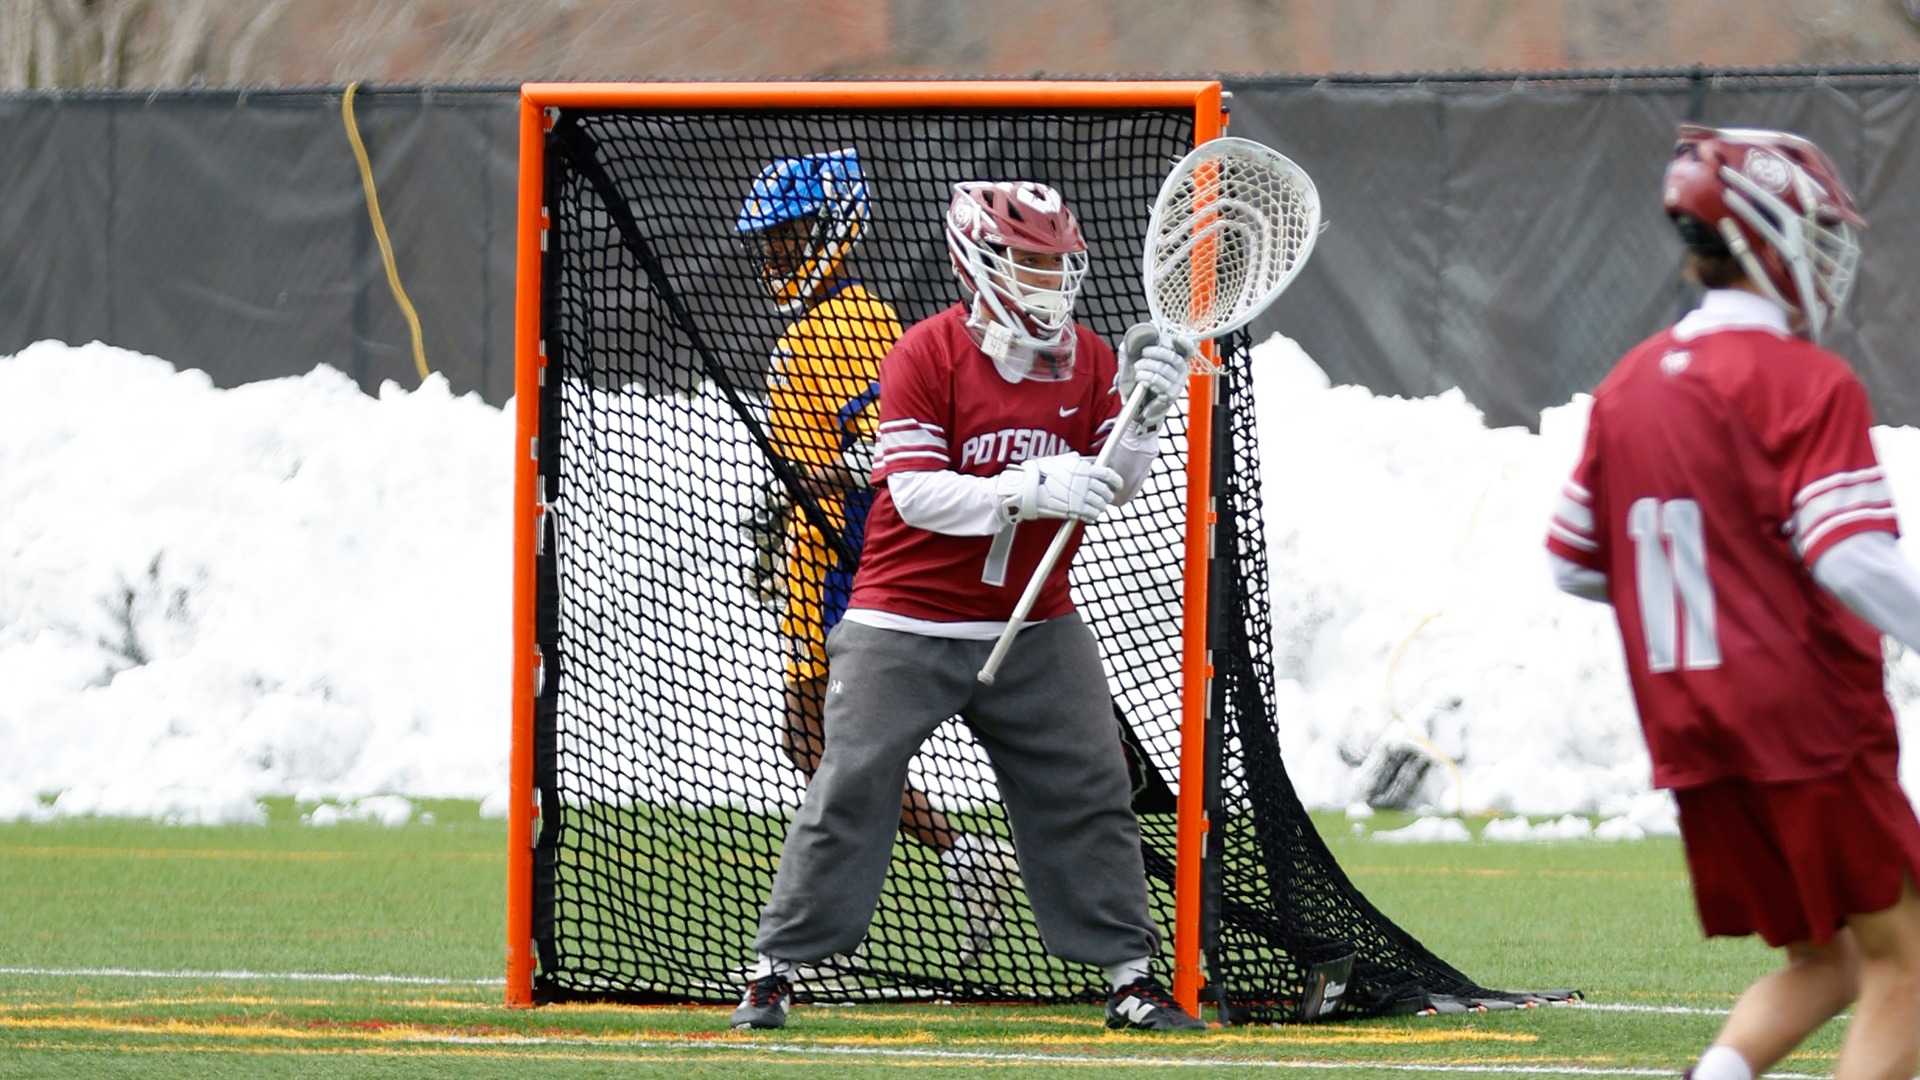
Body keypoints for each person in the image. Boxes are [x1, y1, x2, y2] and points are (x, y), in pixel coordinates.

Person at [729, 179, 1206, 1032]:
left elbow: (1111, 486)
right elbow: (911, 495)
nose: (1047, 281)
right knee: (850, 779)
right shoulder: (923, 353)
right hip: (905, 616)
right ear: (978, 261)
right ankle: (776, 967)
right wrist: (1023, 488)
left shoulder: (1093, 359)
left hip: (1032, 619)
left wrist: (1145, 416)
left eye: (1058, 264)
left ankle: (1129, 974)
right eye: (1026, 262)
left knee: (1091, 778)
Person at [1545, 124, 1920, 1080]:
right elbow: (1850, 560)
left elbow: (1577, 562)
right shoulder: (1803, 381)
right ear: (1767, 235)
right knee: (1909, 967)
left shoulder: (1629, 384)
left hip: (1695, 731)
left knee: (1826, 961)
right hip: (1809, 725)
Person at [734, 149, 1017, 975]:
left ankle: (822, 933)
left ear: (832, 232)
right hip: (816, 557)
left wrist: (811, 500)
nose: (773, 256)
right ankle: (960, 860)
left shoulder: (852, 325)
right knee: (814, 741)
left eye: (787, 238)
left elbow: (882, 457)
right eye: (769, 242)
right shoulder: (812, 325)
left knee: (837, 744)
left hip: (848, 563)